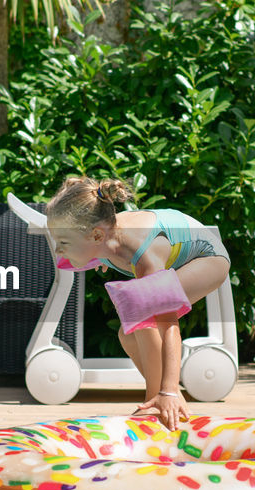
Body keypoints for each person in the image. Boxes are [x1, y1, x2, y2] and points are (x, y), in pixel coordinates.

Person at [45, 176, 230, 431]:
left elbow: (169, 326)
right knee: (127, 335)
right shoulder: (102, 237)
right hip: (176, 255)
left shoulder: (143, 254)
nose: (58, 250)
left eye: (63, 243)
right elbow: (82, 251)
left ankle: (160, 400)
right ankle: (159, 402)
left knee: (144, 310)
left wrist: (170, 389)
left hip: (208, 259)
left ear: (97, 235)